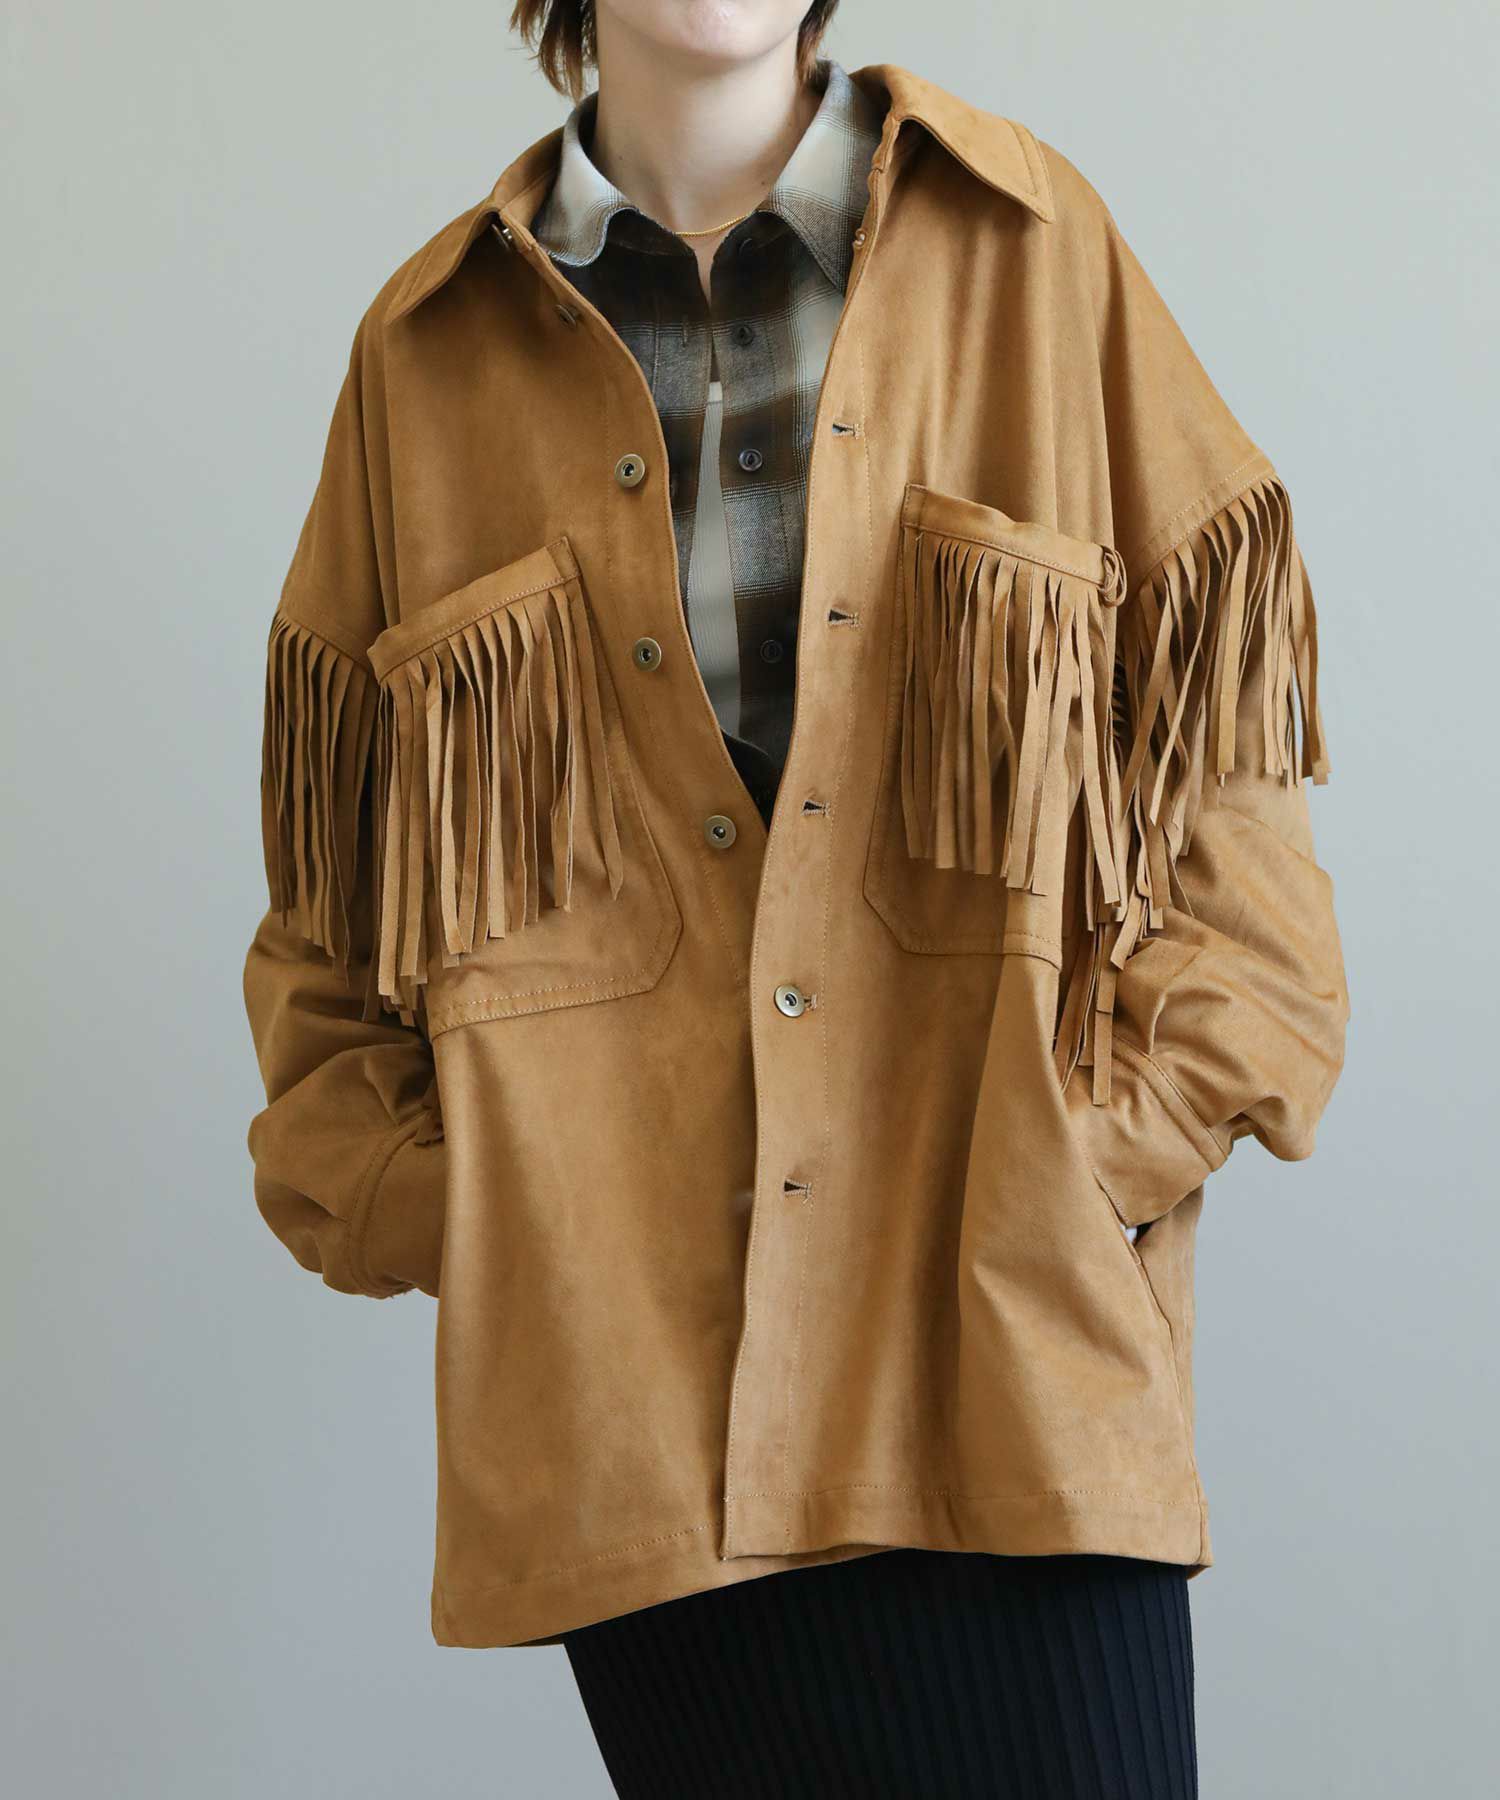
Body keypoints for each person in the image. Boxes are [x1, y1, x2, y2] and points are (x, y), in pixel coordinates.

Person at [242, 2, 1348, 1794]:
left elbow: (1227, 794)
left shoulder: (1032, 247)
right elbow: (330, 924)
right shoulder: (427, 358)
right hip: (647, 1457)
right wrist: (520, 1232)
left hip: (1005, 1381)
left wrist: (1077, 1171)